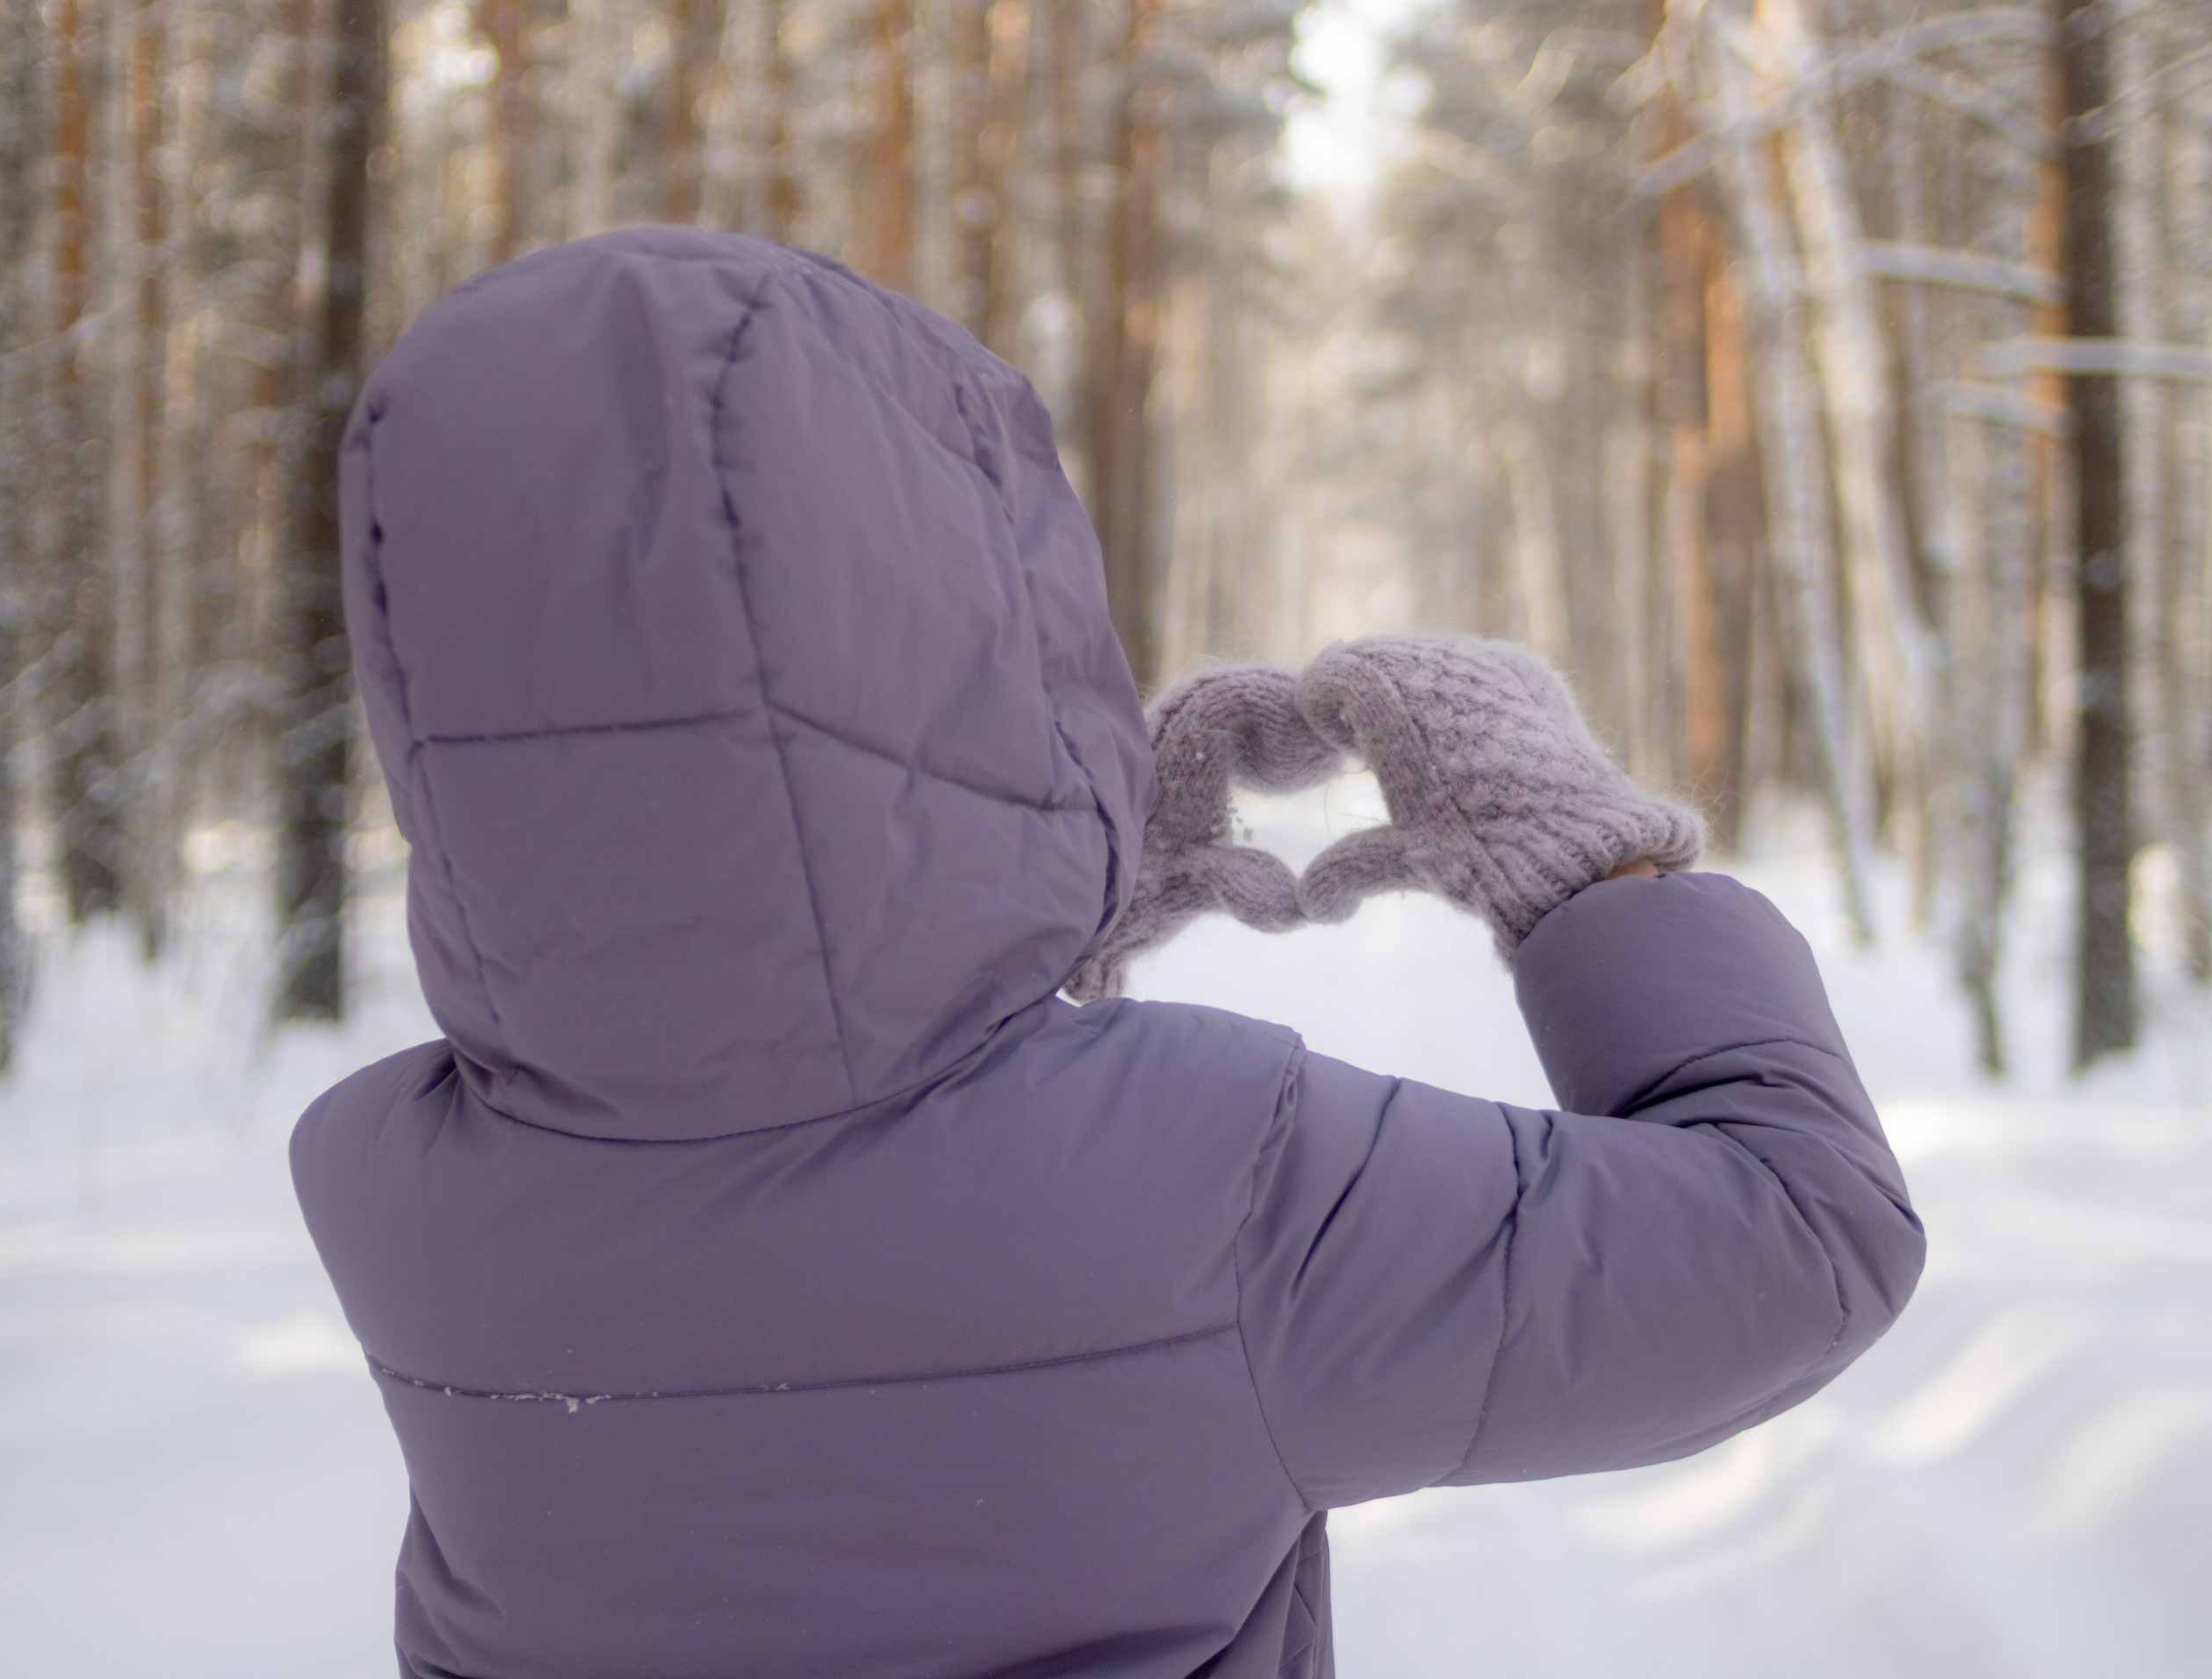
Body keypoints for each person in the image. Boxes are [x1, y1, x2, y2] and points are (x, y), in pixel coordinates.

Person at [292, 226, 1924, 1679]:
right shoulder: (1218, 1182)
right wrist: (1589, 867)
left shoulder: (385, 1184)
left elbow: (789, 1144)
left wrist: (1019, 935)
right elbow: (1801, 1243)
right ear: (986, 616)